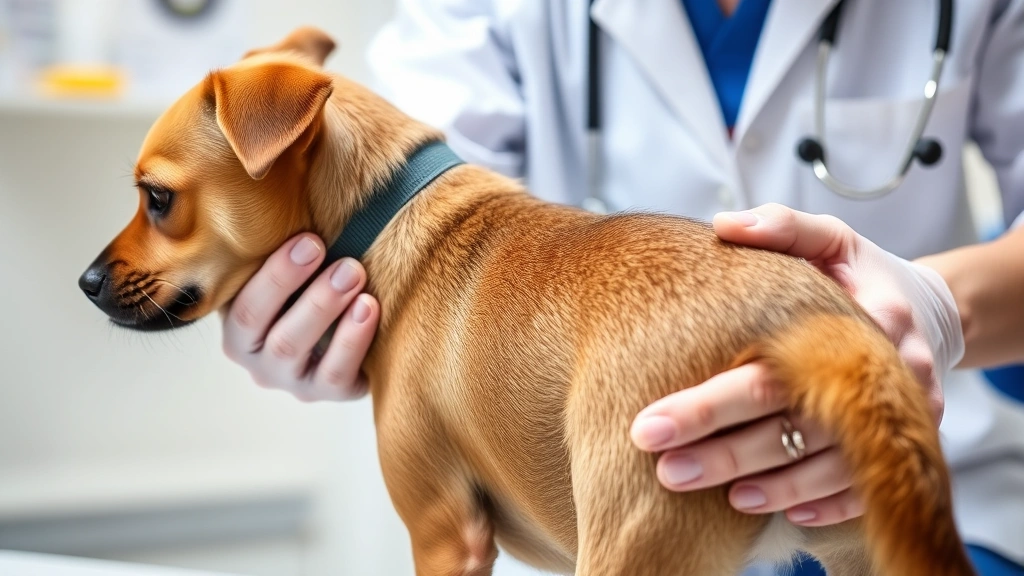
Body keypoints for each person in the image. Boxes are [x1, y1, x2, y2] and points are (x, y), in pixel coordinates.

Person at [220, 1, 1024, 574]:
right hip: (599, 515)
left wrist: (941, 306)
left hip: (916, 474)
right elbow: (408, 224)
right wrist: (321, 313)